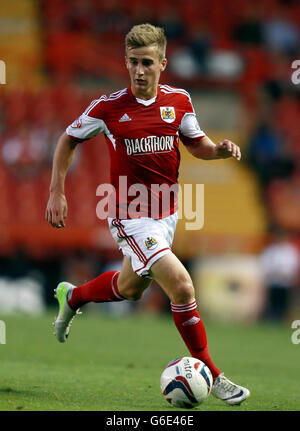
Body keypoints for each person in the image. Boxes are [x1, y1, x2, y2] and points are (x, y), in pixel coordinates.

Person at [46, 23, 249, 406]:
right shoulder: (107, 108)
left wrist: (219, 150)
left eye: (147, 63)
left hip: (166, 214)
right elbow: (67, 139)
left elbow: (197, 144)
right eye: (133, 63)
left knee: (130, 289)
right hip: (128, 214)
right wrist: (56, 190)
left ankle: (72, 297)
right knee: (183, 287)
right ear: (126, 63)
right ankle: (216, 376)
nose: (139, 71)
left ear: (163, 64)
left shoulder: (180, 101)